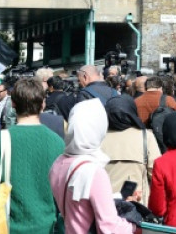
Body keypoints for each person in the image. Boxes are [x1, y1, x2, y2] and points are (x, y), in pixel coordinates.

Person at [0, 78, 64, 234]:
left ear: (13, 104)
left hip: (6, 226)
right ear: (43, 104)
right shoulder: (58, 142)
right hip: (47, 226)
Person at [49, 99, 137, 234]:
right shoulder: (94, 172)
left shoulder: (58, 163)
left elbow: (79, 206)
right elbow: (109, 227)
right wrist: (134, 224)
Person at [100, 96, 162, 203]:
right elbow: (156, 173)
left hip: (104, 204)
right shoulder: (146, 136)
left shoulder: (98, 138)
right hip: (137, 204)